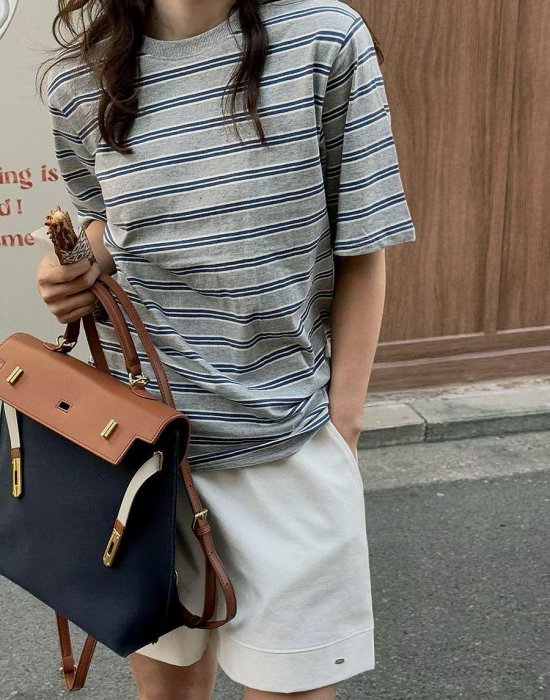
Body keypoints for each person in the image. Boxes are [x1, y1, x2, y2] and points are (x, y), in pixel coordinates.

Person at [36, 0, 416, 698]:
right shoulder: (80, 79)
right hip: (145, 455)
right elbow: (107, 226)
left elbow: (362, 244)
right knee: (168, 693)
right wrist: (76, 270)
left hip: (287, 446)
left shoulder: (324, 41)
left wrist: (344, 426)